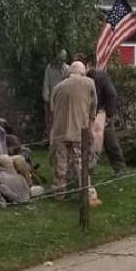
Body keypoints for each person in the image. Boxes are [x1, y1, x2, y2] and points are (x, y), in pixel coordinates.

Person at [49, 61, 99, 205]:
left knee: (61, 163)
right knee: (80, 163)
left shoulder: (58, 87)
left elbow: (53, 108)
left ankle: (59, 193)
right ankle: (86, 193)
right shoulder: (89, 83)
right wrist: (90, 122)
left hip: (60, 131)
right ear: (82, 71)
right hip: (79, 130)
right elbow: (93, 106)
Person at [74, 54, 126, 174]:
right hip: (86, 114)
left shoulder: (99, 77)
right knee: (87, 142)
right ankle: (87, 169)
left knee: (109, 141)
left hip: (101, 113)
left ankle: (120, 168)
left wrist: (109, 114)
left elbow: (111, 94)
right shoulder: (79, 80)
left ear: (86, 66)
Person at [43, 50, 70, 131]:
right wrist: (46, 97)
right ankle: (50, 139)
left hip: (63, 100)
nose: (60, 62)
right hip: (52, 99)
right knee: (50, 122)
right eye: (59, 59)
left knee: (62, 121)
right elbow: (46, 83)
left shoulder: (68, 69)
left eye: (62, 60)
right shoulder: (50, 68)